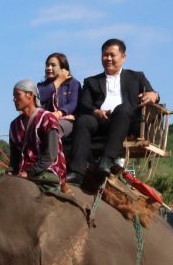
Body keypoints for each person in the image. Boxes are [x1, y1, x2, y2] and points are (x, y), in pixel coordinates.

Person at [66, 38, 160, 182]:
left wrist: (155, 95)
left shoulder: (136, 77)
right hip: (102, 121)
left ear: (123, 57)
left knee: (123, 109)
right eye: (105, 55)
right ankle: (77, 171)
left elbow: (152, 94)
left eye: (112, 55)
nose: (108, 58)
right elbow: (84, 104)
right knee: (84, 120)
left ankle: (107, 159)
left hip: (127, 122)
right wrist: (96, 111)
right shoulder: (91, 82)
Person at [7, 79, 67, 191]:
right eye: (13, 96)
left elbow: (51, 155)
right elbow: (14, 159)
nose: (14, 99)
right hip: (23, 173)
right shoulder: (14, 125)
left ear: (30, 95)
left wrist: (30, 172)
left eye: (17, 95)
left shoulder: (47, 118)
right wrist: (10, 172)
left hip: (46, 171)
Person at [37, 52, 80, 139]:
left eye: (53, 65)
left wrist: (59, 113)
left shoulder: (73, 84)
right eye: (47, 65)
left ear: (63, 68)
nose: (49, 68)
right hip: (45, 121)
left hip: (66, 121)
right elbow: (39, 98)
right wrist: (58, 82)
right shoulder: (41, 86)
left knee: (53, 128)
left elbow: (72, 104)